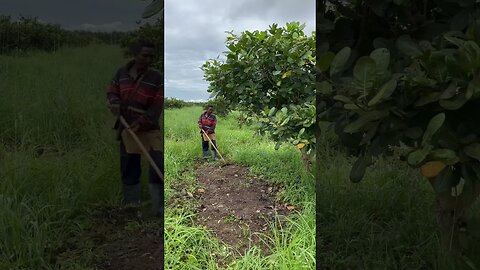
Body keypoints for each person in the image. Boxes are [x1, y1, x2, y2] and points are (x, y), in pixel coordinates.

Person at [106, 39, 164, 217]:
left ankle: (159, 209)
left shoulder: (157, 78)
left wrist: (142, 122)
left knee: (158, 165)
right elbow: (112, 91)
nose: (148, 60)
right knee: (130, 167)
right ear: (135, 54)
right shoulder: (121, 73)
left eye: (151, 57)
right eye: (144, 55)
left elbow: (157, 106)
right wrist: (114, 103)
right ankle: (132, 208)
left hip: (148, 128)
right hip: (127, 128)